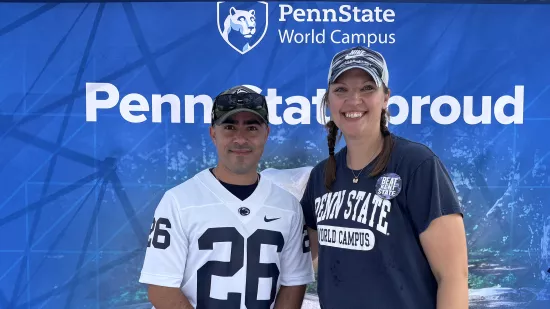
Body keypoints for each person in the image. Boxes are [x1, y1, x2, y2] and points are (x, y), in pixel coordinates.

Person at [300, 46, 469, 309]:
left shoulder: (417, 165)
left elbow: (453, 277)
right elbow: (300, 258)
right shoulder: (321, 175)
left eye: (367, 88)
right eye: (341, 89)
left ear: (386, 97)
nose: (353, 99)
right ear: (328, 100)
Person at [139, 85, 315, 309]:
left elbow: (294, 283)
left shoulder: (288, 206)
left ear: (266, 133)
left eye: (251, 128)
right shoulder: (178, 201)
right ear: (213, 133)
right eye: (230, 127)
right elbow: (161, 289)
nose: (240, 139)